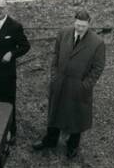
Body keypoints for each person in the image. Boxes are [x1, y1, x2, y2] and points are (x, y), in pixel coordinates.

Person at [34, 8, 106, 158]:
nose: (80, 28)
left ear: (89, 24)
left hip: (78, 87)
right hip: (60, 82)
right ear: (74, 22)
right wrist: (54, 75)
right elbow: (56, 55)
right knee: (55, 112)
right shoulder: (63, 33)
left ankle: (72, 146)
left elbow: (98, 68)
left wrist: (85, 85)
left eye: (83, 26)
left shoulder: (97, 43)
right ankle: (50, 140)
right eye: (78, 25)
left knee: (76, 117)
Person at [0, 0, 31, 144]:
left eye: (1, 8)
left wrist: (11, 54)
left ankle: (10, 131)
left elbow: (25, 46)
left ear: (6, 9)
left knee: (8, 103)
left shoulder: (15, 27)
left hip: (6, 75)